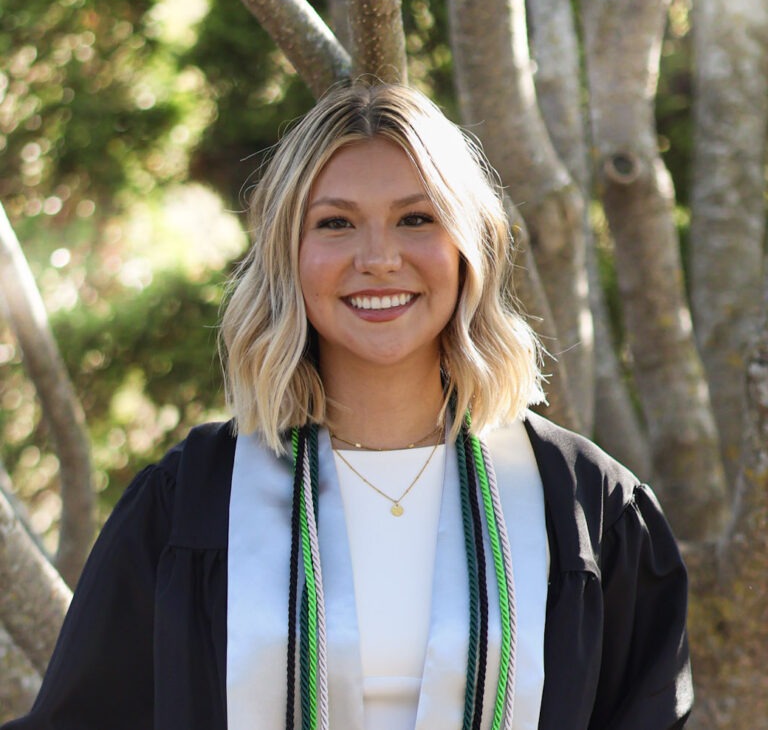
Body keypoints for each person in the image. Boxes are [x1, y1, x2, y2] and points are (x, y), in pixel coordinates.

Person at [3, 83, 693, 730]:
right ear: (287, 254)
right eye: (335, 224)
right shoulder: (194, 501)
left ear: (469, 247)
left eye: (416, 218)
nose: (379, 257)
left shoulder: (582, 505)